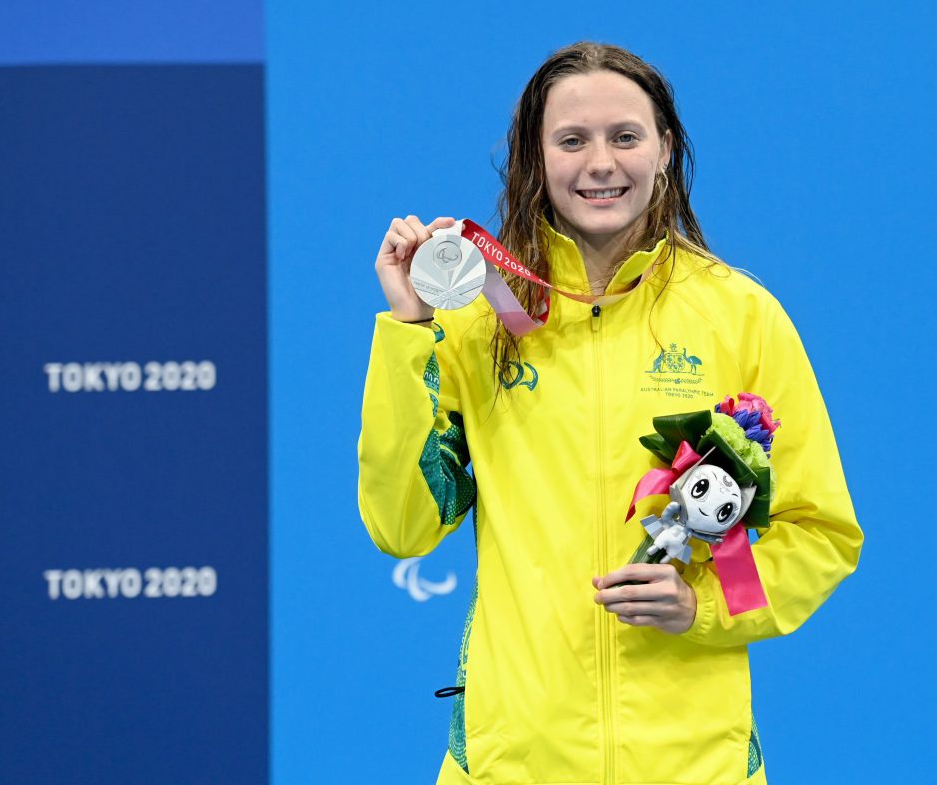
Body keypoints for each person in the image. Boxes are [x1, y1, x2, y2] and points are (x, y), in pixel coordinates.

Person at [359, 41, 862, 785]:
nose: (601, 163)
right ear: (536, 158)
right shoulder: (479, 321)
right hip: (513, 765)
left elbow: (820, 534)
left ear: (665, 149)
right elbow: (402, 526)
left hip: (694, 766)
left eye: (625, 136)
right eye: (572, 139)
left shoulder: (741, 316)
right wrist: (409, 331)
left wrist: (704, 602)